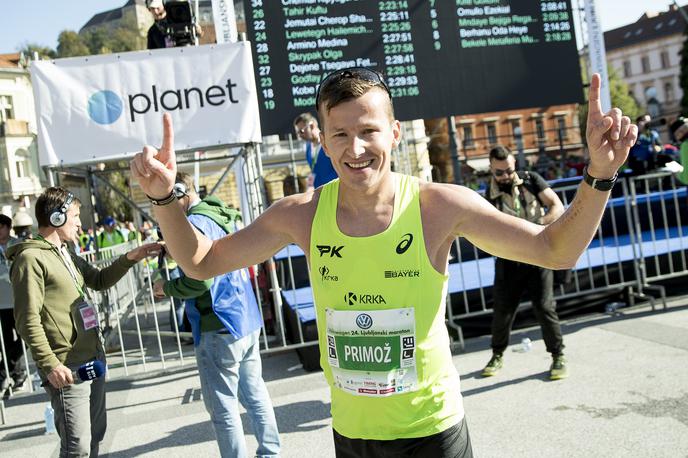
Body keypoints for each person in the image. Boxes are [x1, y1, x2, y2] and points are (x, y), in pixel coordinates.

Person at [132, 70, 637, 457]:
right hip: (353, 435)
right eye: (340, 135)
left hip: (433, 432)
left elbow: (556, 250)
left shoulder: (441, 206)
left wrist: (598, 174)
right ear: (323, 142)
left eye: (369, 131)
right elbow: (200, 262)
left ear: (394, 133)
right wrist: (165, 200)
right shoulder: (301, 215)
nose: (356, 149)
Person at [7, 187, 160, 457]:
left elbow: (99, 280)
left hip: (92, 358)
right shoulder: (30, 259)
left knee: (94, 438)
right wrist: (50, 363)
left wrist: (130, 258)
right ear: (56, 218)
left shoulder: (65, 252)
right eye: (76, 216)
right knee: (76, 447)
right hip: (67, 367)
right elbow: (27, 320)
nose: (80, 223)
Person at [151, 172, 280, 457]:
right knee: (255, 393)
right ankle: (271, 452)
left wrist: (166, 287)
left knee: (223, 408)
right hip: (245, 316)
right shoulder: (222, 214)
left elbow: (200, 279)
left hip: (217, 322)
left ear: (180, 194)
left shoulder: (194, 223)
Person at [481, 145, 568, 380]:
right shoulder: (487, 195)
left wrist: (538, 228)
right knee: (503, 310)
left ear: (514, 165)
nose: (505, 176)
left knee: (544, 306)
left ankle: (558, 356)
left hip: (538, 255)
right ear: (491, 169)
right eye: (499, 173)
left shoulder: (532, 180)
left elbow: (557, 206)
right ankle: (497, 355)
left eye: (508, 170)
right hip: (509, 259)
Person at [0, 213, 26, 396]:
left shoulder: (18, 245)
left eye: (1, 227)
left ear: (8, 228)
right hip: (2, 302)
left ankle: (3, 369)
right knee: (6, 340)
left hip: (20, 298)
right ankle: (17, 374)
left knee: (25, 337)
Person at [293, 112, 338, 188]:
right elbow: (314, 171)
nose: (299, 136)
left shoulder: (330, 142)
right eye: (297, 133)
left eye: (301, 131)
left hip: (337, 189)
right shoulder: (308, 149)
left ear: (312, 126)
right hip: (321, 193)